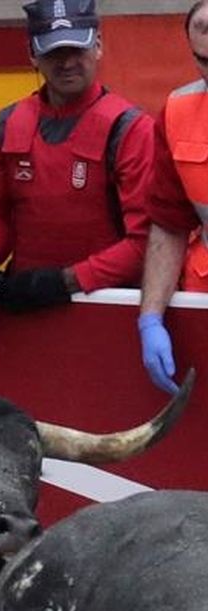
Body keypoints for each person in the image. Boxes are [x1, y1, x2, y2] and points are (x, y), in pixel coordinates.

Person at [0, 0, 155, 319]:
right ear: (32, 55)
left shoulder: (130, 129)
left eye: (77, 49)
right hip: (23, 306)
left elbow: (144, 245)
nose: (67, 63)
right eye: (53, 52)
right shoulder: (9, 122)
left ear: (99, 46)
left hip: (109, 307)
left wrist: (64, 283)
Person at [138, 0, 208, 393]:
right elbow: (169, 224)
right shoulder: (179, 112)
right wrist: (151, 318)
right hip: (203, 307)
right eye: (205, 61)